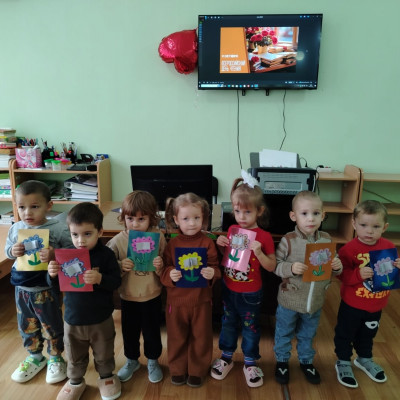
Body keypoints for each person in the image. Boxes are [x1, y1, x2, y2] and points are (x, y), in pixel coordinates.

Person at [48, 202, 122, 400]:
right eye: (75, 234)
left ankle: (106, 376)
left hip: (101, 318)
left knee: (104, 350)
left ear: (100, 232)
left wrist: (100, 279)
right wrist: (52, 275)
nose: (80, 240)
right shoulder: (65, 255)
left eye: (87, 234)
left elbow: (116, 281)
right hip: (73, 318)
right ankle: (75, 380)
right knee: (74, 353)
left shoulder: (106, 255)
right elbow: (55, 286)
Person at [210, 171, 276, 388]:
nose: (241, 216)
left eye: (247, 212)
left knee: (250, 327)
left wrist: (259, 252)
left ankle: (250, 362)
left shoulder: (264, 236)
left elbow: (271, 266)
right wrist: (222, 246)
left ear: (259, 211)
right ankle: (226, 357)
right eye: (237, 211)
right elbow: (229, 259)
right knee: (228, 323)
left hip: (251, 293)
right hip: (229, 288)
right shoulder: (232, 229)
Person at [6, 180, 73, 385]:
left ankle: (55, 357)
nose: (27, 212)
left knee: (51, 324)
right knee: (26, 325)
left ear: (48, 206)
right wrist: (13, 251)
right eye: (21, 207)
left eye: (34, 206)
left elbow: (72, 253)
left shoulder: (58, 228)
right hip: (21, 287)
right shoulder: (16, 228)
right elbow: (8, 251)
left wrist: (55, 254)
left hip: (46, 287)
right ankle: (35, 356)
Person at [273, 190, 343, 385]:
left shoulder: (327, 239)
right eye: (304, 213)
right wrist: (290, 268)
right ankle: (282, 361)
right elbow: (276, 266)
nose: (310, 218)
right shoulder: (288, 240)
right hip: (290, 299)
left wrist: (337, 266)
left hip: (315, 301)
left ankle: (306, 361)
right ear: (293, 216)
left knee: (308, 334)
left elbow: (334, 267)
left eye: (316, 213)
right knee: (284, 332)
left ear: (323, 215)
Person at [334, 200, 400, 388]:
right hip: (352, 304)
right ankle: (343, 361)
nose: (369, 231)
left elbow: (391, 276)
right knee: (345, 333)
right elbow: (341, 275)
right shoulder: (348, 250)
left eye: (376, 226)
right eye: (363, 225)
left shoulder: (388, 247)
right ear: (354, 224)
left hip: (376, 304)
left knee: (368, 334)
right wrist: (358, 274)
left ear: (385, 227)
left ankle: (364, 358)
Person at [160, 192, 221, 388]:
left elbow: (216, 268)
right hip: (176, 303)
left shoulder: (207, 242)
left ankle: (197, 371)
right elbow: (164, 269)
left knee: (201, 338)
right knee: (176, 337)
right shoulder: (172, 244)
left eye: (197, 218)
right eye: (186, 218)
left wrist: (212, 273)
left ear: (204, 218)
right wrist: (170, 274)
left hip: (202, 302)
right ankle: (177, 370)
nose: (192, 223)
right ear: (176, 219)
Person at [106, 191, 167, 384]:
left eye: (141, 219)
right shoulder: (118, 240)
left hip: (152, 294)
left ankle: (153, 361)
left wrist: (160, 264)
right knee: (129, 332)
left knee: (152, 331)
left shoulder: (158, 236)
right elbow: (107, 266)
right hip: (128, 296)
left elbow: (166, 262)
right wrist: (120, 265)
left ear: (152, 218)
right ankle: (131, 360)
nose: (135, 224)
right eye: (130, 218)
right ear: (123, 218)